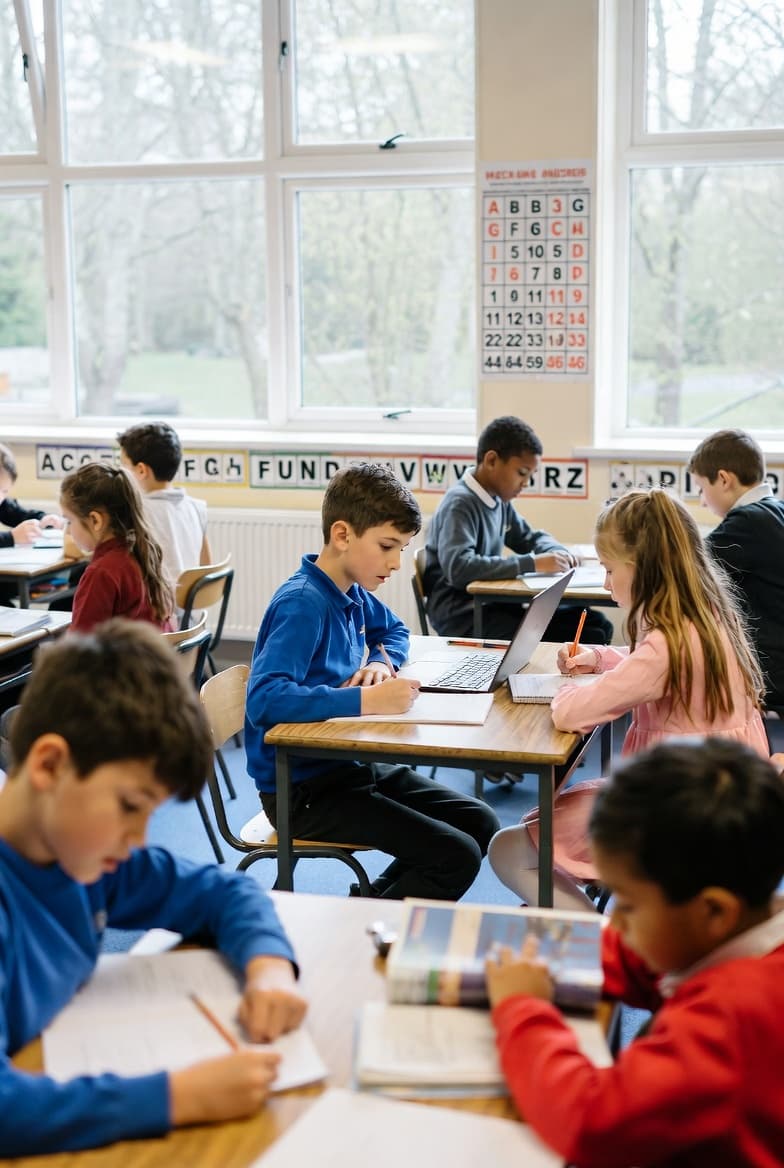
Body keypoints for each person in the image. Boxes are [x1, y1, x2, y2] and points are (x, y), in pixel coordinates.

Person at [0, 619, 307, 1157]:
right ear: (49, 764)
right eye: (129, 806)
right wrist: (177, 1096)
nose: (137, 839)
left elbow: (222, 892)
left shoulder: (82, 853)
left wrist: (269, 967)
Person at [485, 738, 784, 1168]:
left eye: (628, 903)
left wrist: (523, 1008)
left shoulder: (728, 1021)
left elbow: (591, 1123)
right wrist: (558, 954)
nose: (616, 920)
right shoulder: (737, 932)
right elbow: (641, 959)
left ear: (715, 910)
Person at [489, 488, 769, 910]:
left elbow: (572, 712)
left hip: (674, 815)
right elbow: (648, 666)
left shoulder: (666, 644)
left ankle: (603, 944)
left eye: (608, 569)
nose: (605, 583)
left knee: (507, 849)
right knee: (553, 821)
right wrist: (600, 658)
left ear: (642, 569)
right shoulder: (706, 617)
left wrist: (569, 689)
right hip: (717, 804)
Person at [244, 462, 500, 901]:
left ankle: (368, 905)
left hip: (345, 765)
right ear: (342, 535)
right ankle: (367, 933)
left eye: (402, 548)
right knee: (453, 856)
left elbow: (395, 632)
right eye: (387, 546)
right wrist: (367, 700)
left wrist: (382, 663)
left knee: (480, 823)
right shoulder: (303, 604)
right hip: (301, 789)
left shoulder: (351, 591)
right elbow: (264, 700)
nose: (397, 563)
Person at [423, 416, 612, 644]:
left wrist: (557, 553)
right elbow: (460, 568)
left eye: (530, 476)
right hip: (462, 614)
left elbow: (529, 537)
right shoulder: (460, 504)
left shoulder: (498, 501)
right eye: (522, 473)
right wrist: (532, 563)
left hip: (489, 605)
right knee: (589, 635)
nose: (525, 483)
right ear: (491, 460)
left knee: (598, 624)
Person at [688, 427, 784, 713]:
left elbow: (688, 567)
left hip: (770, 663)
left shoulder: (747, 523)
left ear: (724, 479)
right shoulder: (774, 510)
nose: (703, 501)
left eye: (703, 489)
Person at [60, 461, 175, 633]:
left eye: (70, 521)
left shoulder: (101, 573)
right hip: (153, 657)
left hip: (126, 659)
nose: (68, 530)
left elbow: (81, 647)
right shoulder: (141, 553)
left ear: (95, 520)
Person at [118, 421, 211, 586]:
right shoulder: (197, 507)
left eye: (123, 466)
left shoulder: (135, 512)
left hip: (158, 609)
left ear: (141, 470)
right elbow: (207, 567)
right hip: (192, 607)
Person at [0, 442, 66, 605]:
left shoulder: (2, 503)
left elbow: (18, 513)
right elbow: (11, 536)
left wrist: (43, 519)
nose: (0, 497)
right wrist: (12, 537)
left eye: (4, 491)